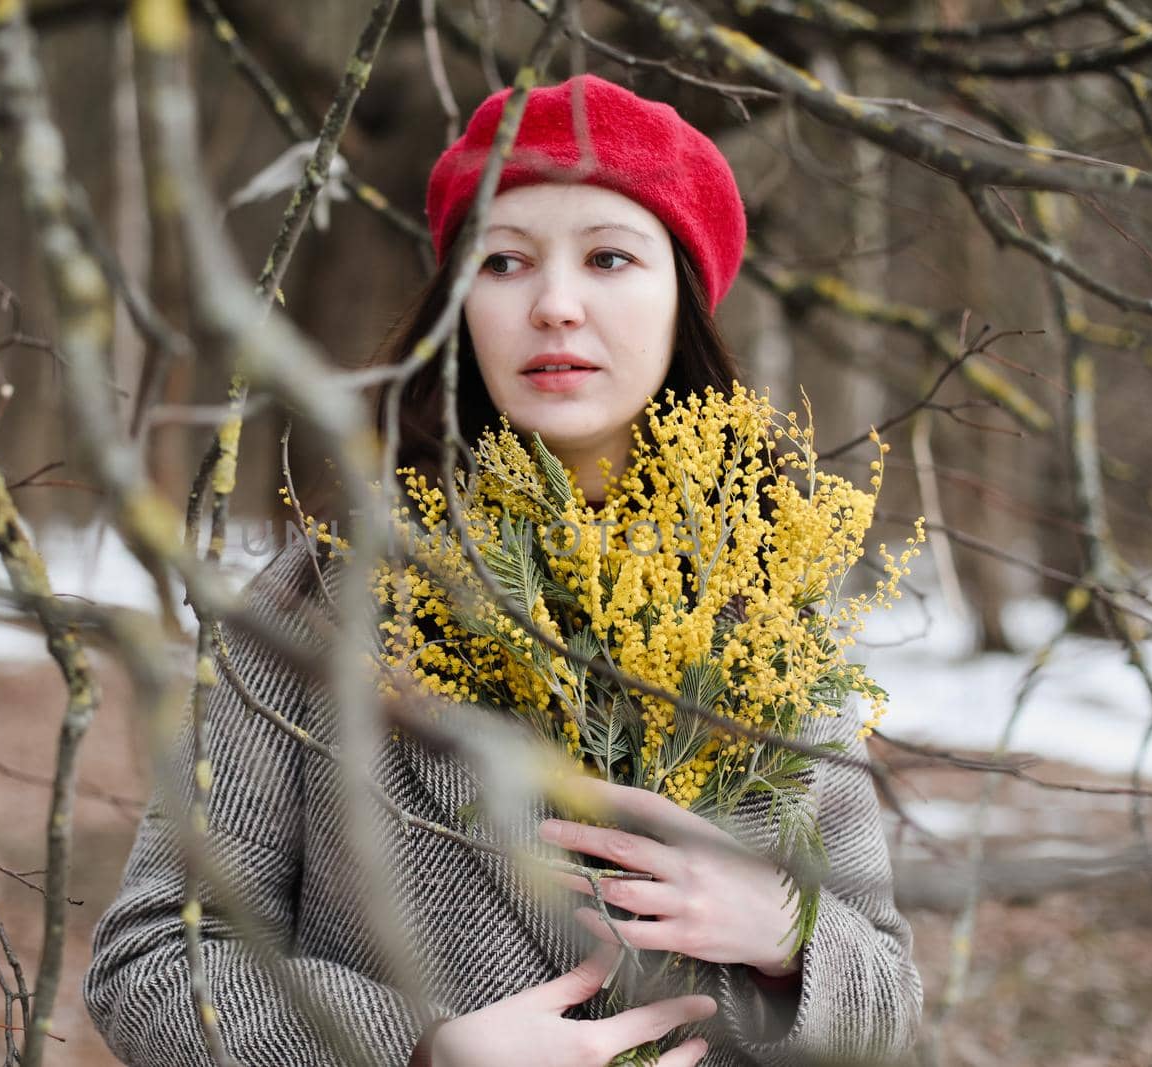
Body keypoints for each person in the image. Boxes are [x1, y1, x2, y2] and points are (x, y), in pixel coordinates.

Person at [84, 74, 923, 1067]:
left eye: (609, 258)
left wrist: (789, 933)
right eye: (504, 262)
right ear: (458, 308)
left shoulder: (769, 617)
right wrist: (422, 1050)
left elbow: (891, 1021)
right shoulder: (314, 606)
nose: (555, 305)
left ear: (679, 300)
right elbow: (154, 957)